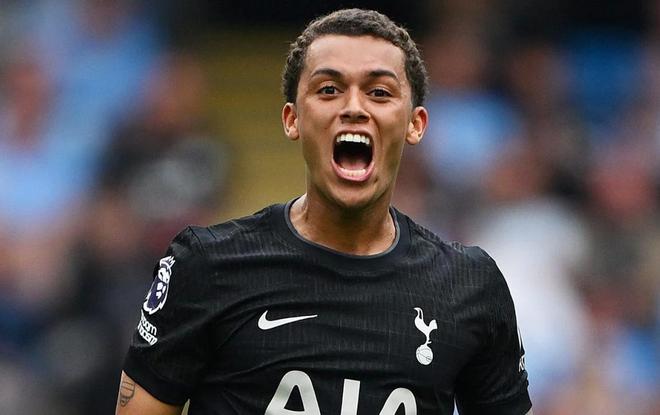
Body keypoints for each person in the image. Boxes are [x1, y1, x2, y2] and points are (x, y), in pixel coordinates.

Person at [116, 8, 532, 415]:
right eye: (329, 90)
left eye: (379, 92)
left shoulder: (470, 287)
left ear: (415, 123)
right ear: (292, 119)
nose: (354, 107)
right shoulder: (207, 266)